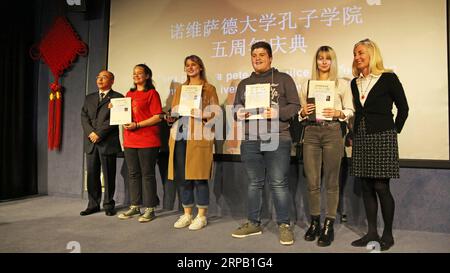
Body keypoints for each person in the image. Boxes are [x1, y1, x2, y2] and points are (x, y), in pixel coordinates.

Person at [231, 41, 300, 246]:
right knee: (254, 183)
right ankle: (253, 222)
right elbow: (235, 109)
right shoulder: (244, 83)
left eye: (262, 54)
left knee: (278, 183)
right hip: (251, 138)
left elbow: (295, 106)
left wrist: (278, 113)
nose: (257, 58)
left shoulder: (284, 79)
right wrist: (239, 112)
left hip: (277, 136)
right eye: (254, 55)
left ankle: (284, 225)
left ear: (270, 58)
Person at [349, 39, 409, 251]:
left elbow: (404, 108)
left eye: (361, 52)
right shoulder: (354, 83)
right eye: (355, 53)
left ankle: (388, 234)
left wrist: (393, 131)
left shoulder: (388, 78)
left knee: (381, 186)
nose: (357, 57)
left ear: (372, 54)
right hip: (362, 137)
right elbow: (358, 111)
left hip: (383, 136)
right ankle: (371, 232)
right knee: (366, 187)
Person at [299, 46, 354, 247]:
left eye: (328, 58)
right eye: (320, 58)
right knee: (312, 181)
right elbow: (301, 112)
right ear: (316, 61)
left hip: (332, 131)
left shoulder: (341, 84)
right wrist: (303, 111)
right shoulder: (306, 84)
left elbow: (350, 110)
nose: (323, 62)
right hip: (312, 132)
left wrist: (339, 113)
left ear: (333, 61)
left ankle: (328, 224)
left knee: (332, 182)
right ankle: (315, 222)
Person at [166, 55, 219, 230]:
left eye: (193, 65)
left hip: (199, 135)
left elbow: (215, 113)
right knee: (183, 177)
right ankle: (187, 213)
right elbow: (174, 111)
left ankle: (201, 216)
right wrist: (171, 115)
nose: (190, 68)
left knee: (199, 177)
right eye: (187, 65)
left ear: (200, 67)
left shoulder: (209, 88)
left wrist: (201, 114)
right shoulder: (181, 88)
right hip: (180, 134)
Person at [117, 64, 163, 223]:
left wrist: (138, 125)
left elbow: (158, 116)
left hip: (148, 140)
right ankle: (135, 205)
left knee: (147, 174)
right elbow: (123, 114)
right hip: (130, 140)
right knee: (133, 174)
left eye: (140, 73)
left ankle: (150, 208)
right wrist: (114, 108)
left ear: (147, 76)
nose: (136, 75)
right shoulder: (128, 94)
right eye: (134, 73)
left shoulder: (152, 93)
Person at [80, 70, 124, 216]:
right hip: (91, 142)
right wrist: (90, 132)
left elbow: (115, 120)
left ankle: (108, 204)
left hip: (107, 142)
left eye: (104, 77)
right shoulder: (89, 97)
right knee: (92, 174)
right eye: (98, 77)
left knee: (109, 174)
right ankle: (93, 204)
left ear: (112, 81)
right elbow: (84, 116)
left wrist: (99, 134)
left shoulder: (118, 97)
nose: (100, 79)